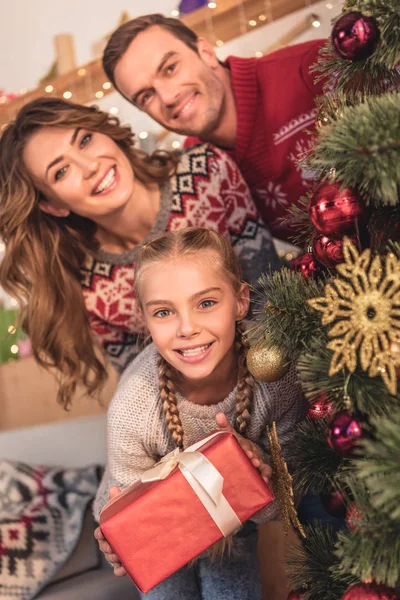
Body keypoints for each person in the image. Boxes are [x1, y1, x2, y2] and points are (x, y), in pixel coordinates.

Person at [0, 96, 279, 408]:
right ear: (53, 205)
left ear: (104, 131)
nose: (90, 166)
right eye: (61, 171)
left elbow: (272, 301)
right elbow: (149, 386)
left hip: (279, 375)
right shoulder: (87, 286)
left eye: (86, 140)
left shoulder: (206, 173)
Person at [93, 227, 305, 600]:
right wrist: (120, 538)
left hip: (234, 524)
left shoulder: (275, 377)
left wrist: (253, 475)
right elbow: (129, 521)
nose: (187, 328)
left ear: (240, 301)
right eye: (164, 312)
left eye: (206, 303)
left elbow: (285, 506)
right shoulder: (133, 406)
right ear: (145, 320)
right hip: (160, 529)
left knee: (232, 589)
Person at [102, 13, 326, 241]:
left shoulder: (310, 68)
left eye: (170, 68)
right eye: (146, 96)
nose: (167, 97)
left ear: (206, 53)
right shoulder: (197, 167)